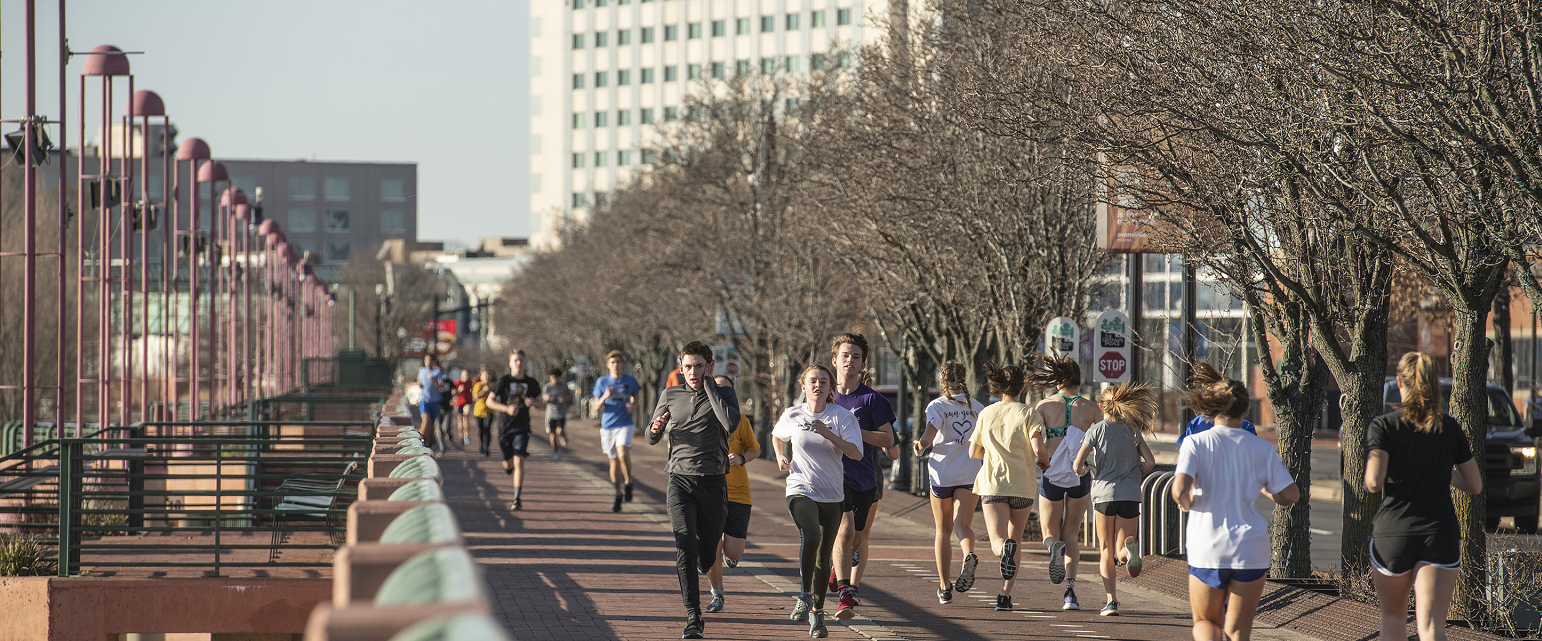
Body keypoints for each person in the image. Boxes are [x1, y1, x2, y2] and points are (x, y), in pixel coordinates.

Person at [1172, 363, 1300, 641]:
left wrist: (1185, 501)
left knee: (1206, 621)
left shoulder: (1196, 443)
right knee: (1239, 630)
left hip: (1207, 544)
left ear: (1210, 407)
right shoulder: (1262, 447)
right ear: (1245, 409)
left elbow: (1179, 488)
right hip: (1250, 547)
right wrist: (1271, 491)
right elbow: (1290, 495)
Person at [1365, 352, 1483, 641]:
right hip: (1439, 534)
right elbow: (1474, 484)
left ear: (1399, 382)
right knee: (1432, 627)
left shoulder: (1384, 426)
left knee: (1392, 621)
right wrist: (1442, 472)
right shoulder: (1449, 428)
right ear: (1433, 383)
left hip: (1394, 534)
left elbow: (1373, 482)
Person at [646, 341, 741, 640]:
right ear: (681, 367)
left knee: (707, 551)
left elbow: (730, 423)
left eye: (699, 366)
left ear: (709, 366)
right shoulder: (670, 395)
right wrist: (656, 428)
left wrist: (710, 386)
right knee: (684, 542)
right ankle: (693, 616)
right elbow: (651, 435)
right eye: (687, 366)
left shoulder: (724, 393)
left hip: (713, 482)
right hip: (679, 480)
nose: (693, 372)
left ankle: (705, 559)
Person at [773, 365, 864, 638]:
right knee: (810, 536)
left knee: (824, 557)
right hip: (800, 489)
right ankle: (803, 594)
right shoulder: (793, 414)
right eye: (813, 381)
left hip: (833, 495)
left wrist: (828, 434)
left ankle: (817, 613)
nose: (818, 385)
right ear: (804, 387)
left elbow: (856, 454)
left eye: (824, 381)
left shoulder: (842, 417)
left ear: (830, 388)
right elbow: (778, 435)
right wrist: (779, 455)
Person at [1072, 382, 1158, 617]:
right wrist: (1135, 474)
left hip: (1104, 494)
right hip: (1130, 493)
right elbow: (1150, 462)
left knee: (1105, 549)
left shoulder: (1096, 430)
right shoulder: (1132, 430)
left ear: (1101, 405)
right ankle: (1128, 553)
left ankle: (1111, 602)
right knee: (1121, 546)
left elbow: (1077, 465)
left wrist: (1084, 471)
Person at [827, 333, 897, 620]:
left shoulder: (872, 399)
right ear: (835, 360)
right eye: (845, 355)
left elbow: (888, 440)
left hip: (864, 478)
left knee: (856, 537)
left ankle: (836, 567)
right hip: (831, 476)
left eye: (856, 357)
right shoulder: (823, 394)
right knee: (844, 531)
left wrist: (855, 431)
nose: (850, 361)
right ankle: (846, 594)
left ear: (862, 363)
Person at [970, 362, 1048, 612]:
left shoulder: (987, 413)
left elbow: (973, 452)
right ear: (1022, 386)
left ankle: (1003, 549)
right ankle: (1005, 595)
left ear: (999, 386)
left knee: (998, 539)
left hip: (993, 484)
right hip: (1022, 485)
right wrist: (1043, 461)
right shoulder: (1029, 414)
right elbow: (1038, 448)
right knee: (1017, 539)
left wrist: (990, 452)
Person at [1030, 355, 1100, 610]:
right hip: (1079, 474)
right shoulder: (1091, 408)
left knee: (1049, 532)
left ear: (1057, 379)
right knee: (1072, 533)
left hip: (1051, 473)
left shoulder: (1044, 405)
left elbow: (1034, 440)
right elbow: (1101, 441)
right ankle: (1070, 592)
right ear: (1078, 379)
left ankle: (1053, 549)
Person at [913, 360, 984, 605]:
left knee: (942, 530)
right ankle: (969, 554)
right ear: (964, 379)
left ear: (942, 380)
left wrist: (918, 447)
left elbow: (929, 437)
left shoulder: (938, 406)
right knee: (962, 524)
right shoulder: (977, 407)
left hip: (943, 474)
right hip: (969, 472)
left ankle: (944, 587)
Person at [706, 375, 761, 615]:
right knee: (711, 546)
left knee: (733, 550)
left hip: (738, 491)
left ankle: (733, 557)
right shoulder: (704, 419)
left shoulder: (740, 422)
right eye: (716, 390)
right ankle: (717, 593)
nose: (721, 394)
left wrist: (740, 458)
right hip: (710, 491)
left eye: (726, 390)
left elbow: (755, 449)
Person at [485, 350, 545, 511]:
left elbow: (541, 404)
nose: (518, 363)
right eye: (515, 360)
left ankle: (517, 498)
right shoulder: (503, 381)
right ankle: (508, 466)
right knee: (509, 463)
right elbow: (490, 402)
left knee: (519, 459)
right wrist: (506, 409)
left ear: (525, 363)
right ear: (510, 363)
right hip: (504, 426)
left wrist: (534, 403)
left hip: (522, 426)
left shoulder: (531, 383)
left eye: (521, 360)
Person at [595, 350, 641, 512]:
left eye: (618, 362)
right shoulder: (602, 382)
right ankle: (618, 493)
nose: (616, 365)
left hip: (625, 424)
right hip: (608, 426)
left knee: (622, 453)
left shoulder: (631, 381)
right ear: (608, 365)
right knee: (613, 461)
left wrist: (633, 407)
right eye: (612, 362)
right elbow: (595, 406)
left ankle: (628, 482)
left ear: (622, 364)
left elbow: (635, 401)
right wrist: (605, 396)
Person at [416, 355, 448, 452]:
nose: (428, 362)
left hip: (434, 401)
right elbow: (419, 381)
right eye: (426, 360)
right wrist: (419, 384)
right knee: (425, 420)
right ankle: (418, 439)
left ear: (433, 361)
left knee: (432, 424)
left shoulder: (438, 372)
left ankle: (429, 441)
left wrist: (433, 380)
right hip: (424, 400)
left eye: (430, 360)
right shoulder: (421, 371)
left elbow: (442, 386)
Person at [544, 368, 573, 462]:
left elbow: (571, 395)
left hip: (561, 413)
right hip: (550, 414)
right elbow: (543, 400)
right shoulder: (547, 387)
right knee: (552, 434)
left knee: (559, 431)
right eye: (552, 378)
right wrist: (547, 399)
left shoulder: (564, 386)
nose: (554, 380)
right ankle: (556, 453)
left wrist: (564, 398)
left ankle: (563, 436)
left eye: (556, 378)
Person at [472, 369, 492, 456]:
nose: (486, 377)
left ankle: (487, 446)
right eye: (485, 375)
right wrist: (484, 390)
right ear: (481, 377)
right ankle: (481, 444)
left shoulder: (493, 385)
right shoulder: (478, 385)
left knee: (487, 428)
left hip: (490, 411)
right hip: (479, 411)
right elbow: (475, 397)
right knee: (481, 429)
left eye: (488, 375)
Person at [452, 369, 474, 447]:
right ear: (461, 375)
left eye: (467, 375)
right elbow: (452, 392)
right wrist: (458, 390)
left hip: (468, 402)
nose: (466, 376)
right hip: (459, 403)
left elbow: (474, 391)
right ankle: (461, 435)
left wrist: (473, 392)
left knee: (466, 416)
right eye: (464, 375)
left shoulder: (470, 383)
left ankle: (466, 435)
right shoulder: (457, 383)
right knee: (460, 420)